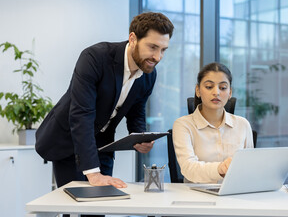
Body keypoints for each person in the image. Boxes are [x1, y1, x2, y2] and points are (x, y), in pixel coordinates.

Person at [35, 12, 174, 189]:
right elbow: (81, 115)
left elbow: (136, 112)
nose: (158, 57)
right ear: (132, 39)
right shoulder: (95, 58)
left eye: (163, 50)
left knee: (101, 203)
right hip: (70, 139)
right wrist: (93, 173)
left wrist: (141, 137)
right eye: (153, 47)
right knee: (74, 205)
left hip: (103, 145)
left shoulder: (148, 74)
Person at [172, 62, 253, 184]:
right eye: (209, 87)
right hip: (196, 197)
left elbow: (249, 167)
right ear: (198, 90)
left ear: (230, 92)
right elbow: (188, 168)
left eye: (223, 88)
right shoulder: (183, 125)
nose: (216, 92)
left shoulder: (243, 124)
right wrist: (219, 169)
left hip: (235, 195)